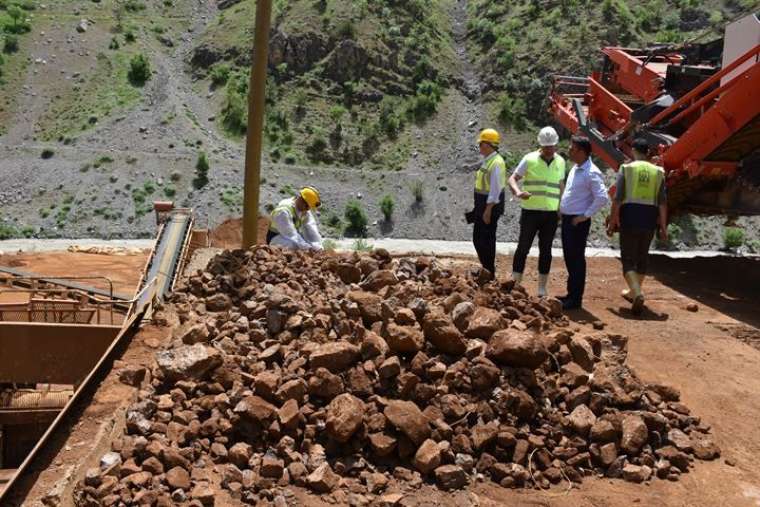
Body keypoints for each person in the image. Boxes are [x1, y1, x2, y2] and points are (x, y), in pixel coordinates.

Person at [607, 138, 668, 315]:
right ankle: (633, 292)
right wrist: (663, 227)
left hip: (630, 216)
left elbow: (617, 198)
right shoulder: (658, 172)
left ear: (633, 150)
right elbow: (663, 203)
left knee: (627, 259)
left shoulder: (627, 169)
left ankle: (638, 293)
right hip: (649, 218)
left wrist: (612, 222)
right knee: (642, 257)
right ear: (648, 152)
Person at [508, 126, 566, 297]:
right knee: (523, 248)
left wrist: (562, 207)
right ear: (540, 145)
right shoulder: (529, 159)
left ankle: (542, 288)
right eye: (546, 146)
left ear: (556, 145)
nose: (549, 149)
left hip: (550, 214)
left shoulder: (561, 162)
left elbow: (561, 185)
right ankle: (515, 283)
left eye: (552, 146)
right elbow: (512, 178)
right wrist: (518, 192)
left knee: (546, 250)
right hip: (530, 212)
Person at [558, 136, 609, 310]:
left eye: (572, 149)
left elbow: (602, 197)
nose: (569, 151)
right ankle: (571, 294)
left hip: (577, 222)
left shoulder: (591, 172)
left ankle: (575, 298)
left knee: (576, 259)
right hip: (568, 219)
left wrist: (584, 216)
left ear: (581, 152)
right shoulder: (576, 168)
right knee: (570, 258)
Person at [470, 128, 507, 279]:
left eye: (481, 144)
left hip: (489, 207)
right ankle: (486, 269)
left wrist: (488, 210)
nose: (479, 147)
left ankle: (489, 272)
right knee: (478, 239)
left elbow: (495, 189)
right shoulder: (488, 160)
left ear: (488, 144)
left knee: (486, 239)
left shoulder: (496, 162)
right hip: (482, 205)